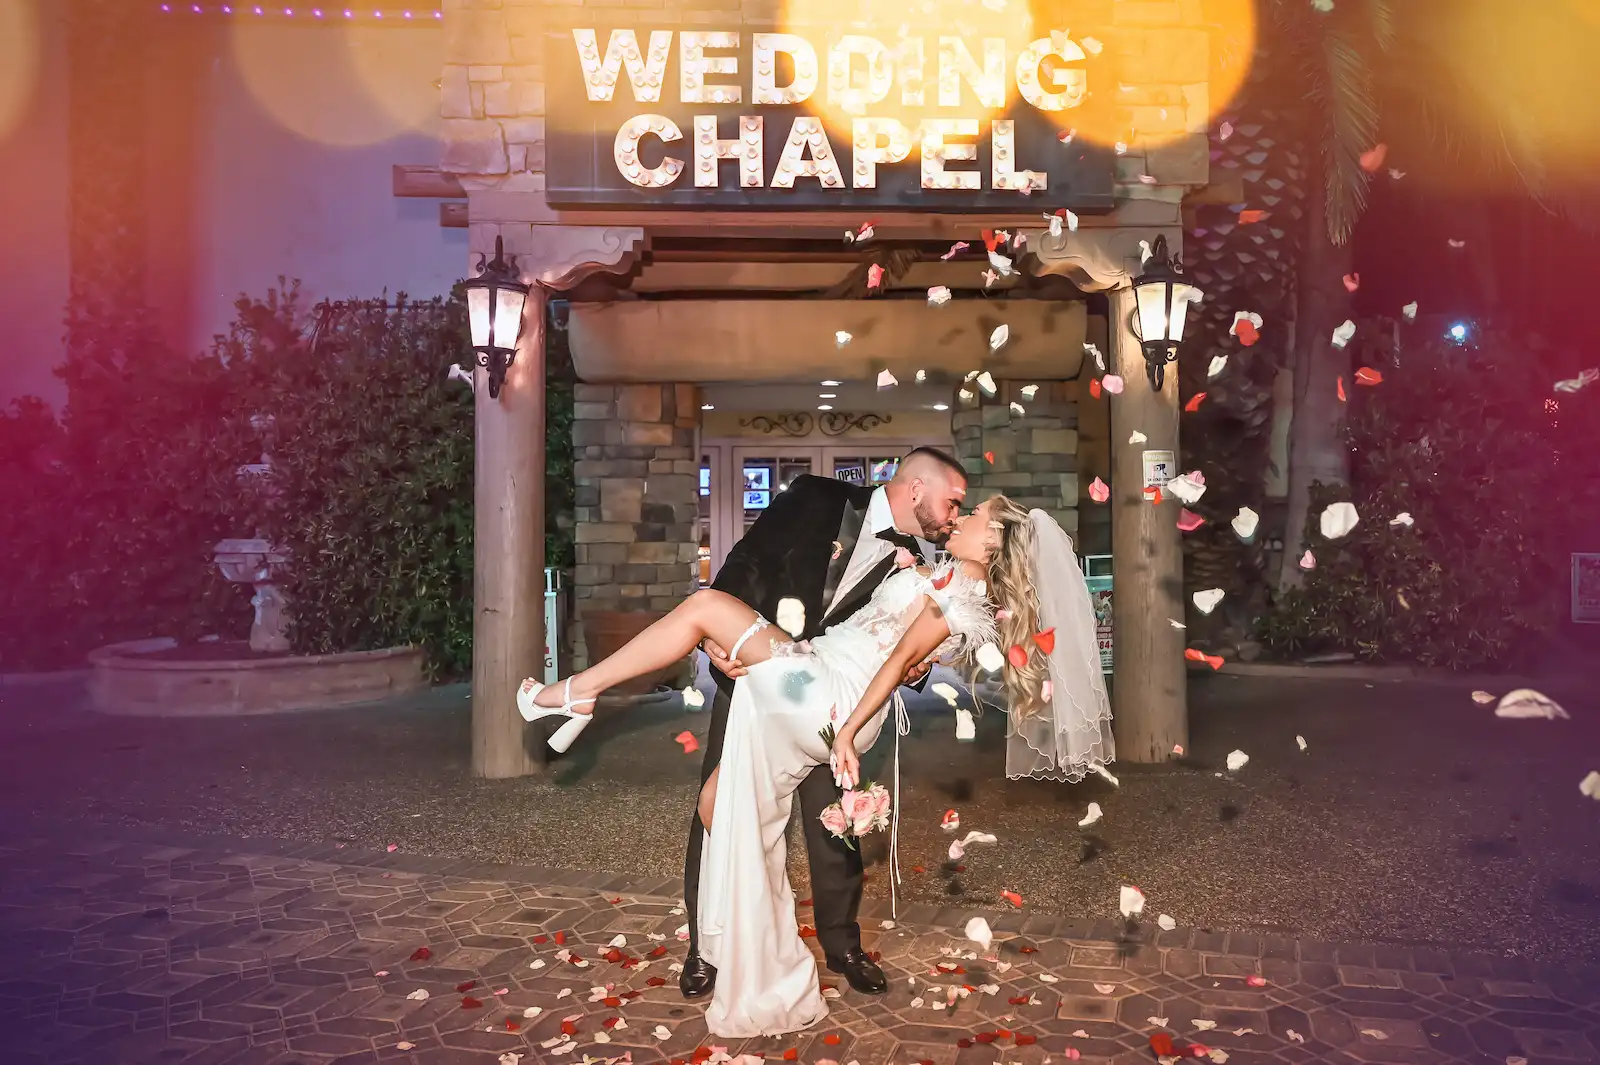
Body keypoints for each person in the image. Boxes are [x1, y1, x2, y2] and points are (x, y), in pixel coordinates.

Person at [518, 490, 1114, 1038]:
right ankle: (756, 954)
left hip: (833, 692)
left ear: (994, 543)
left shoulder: (960, 603)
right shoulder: (940, 575)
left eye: (975, 516)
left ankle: (574, 694)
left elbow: (899, 659)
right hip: (821, 674)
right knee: (715, 804)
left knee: (703, 606)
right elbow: (904, 653)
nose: (960, 517)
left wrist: (847, 733)